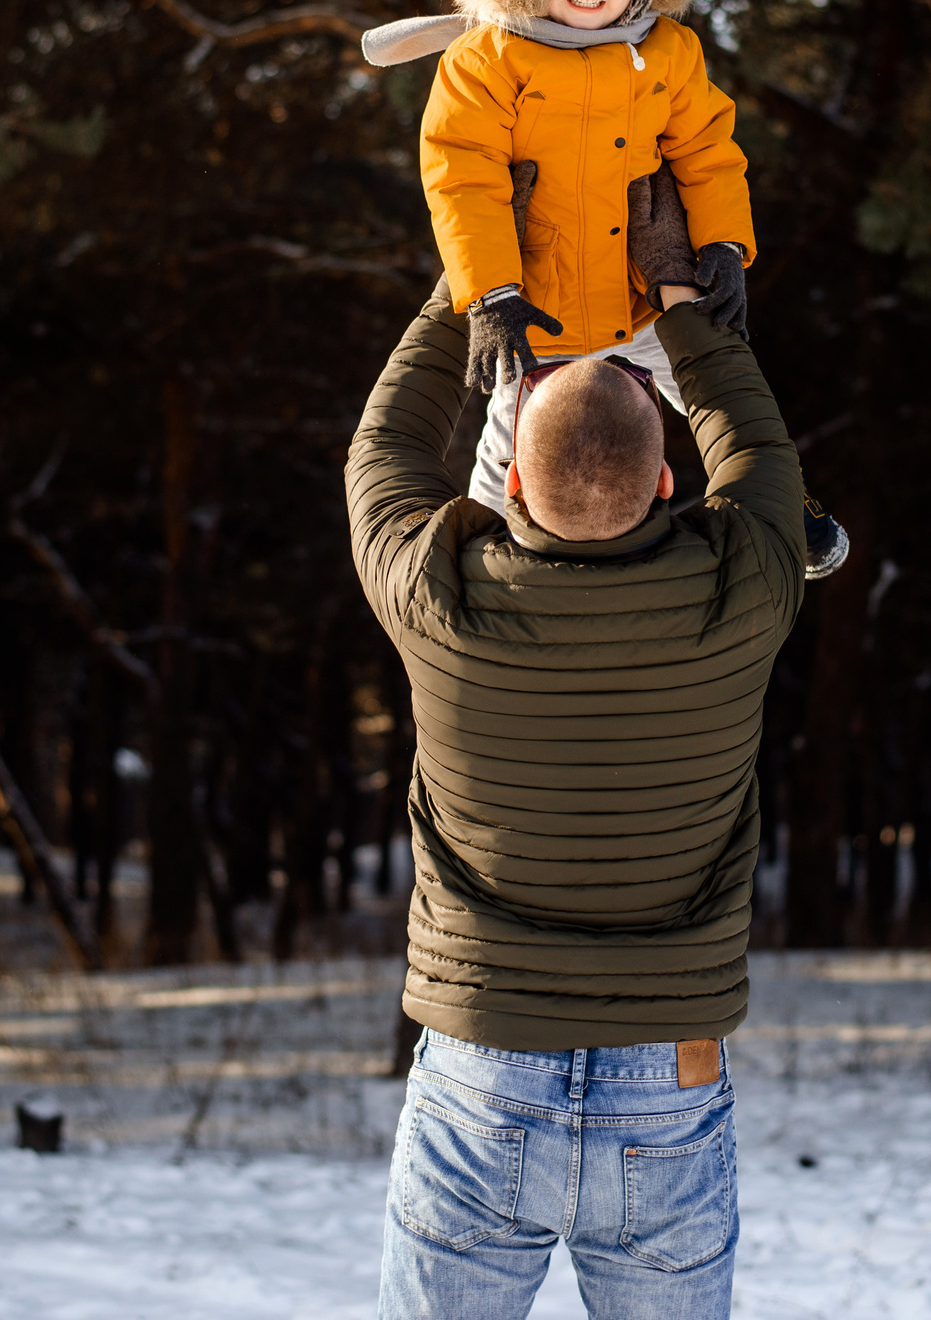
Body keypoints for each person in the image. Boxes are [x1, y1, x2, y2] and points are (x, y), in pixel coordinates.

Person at [345, 267, 808, 1320]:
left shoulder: (442, 599)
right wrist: (688, 314)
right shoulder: (745, 591)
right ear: (661, 484)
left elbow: (382, 455)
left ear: (506, 485)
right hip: (670, 1083)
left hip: (480, 1070)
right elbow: (759, 454)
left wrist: (468, 284)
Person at [361, 0, 850, 580]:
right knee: (512, 435)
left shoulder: (668, 53)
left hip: (644, 293)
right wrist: (490, 289)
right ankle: (480, 566)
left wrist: (722, 243)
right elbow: (463, 174)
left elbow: (708, 151)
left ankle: (790, 505)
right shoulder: (487, 58)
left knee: (720, 399)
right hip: (539, 303)